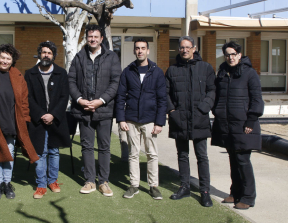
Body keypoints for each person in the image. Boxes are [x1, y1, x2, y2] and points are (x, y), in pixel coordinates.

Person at [0, 44, 39, 200]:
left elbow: (24, 101)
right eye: (2, 57)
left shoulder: (17, 76)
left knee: (9, 153)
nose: (4, 61)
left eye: (8, 58)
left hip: (11, 122)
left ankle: (7, 183)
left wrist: (24, 119)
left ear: (12, 61)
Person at [68, 24, 121, 197]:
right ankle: (90, 180)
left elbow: (115, 82)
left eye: (95, 37)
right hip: (84, 110)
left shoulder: (112, 57)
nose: (92, 39)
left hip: (104, 110)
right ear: (87, 38)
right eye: (90, 36)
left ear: (101, 39)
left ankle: (103, 182)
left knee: (104, 147)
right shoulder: (79, 57)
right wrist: (80, 100)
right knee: (87, 146)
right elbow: (71, 81)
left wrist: (100, 101)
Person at [211, 41, 264, 210]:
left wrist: (251, 120)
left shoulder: (250, 73)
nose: (230, 57)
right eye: (227, 54)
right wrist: (216, 111)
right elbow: (218, 96)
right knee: (233, 160)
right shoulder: (223, 73)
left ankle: (248, 197)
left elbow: (257, 99)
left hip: (243, 125)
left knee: (242, 160)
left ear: (239, 55)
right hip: (226, 124)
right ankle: (235, 193)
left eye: (233, 54)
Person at [165, 36, 215, 207]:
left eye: (188, 47)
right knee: (183, 155)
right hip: (179, 119)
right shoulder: (172, 70)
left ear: (194, 48)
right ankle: (184, 186)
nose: (184, 50)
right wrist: (172, 111)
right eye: (181, 47)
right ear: (178, 49)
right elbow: (165, 93)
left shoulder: (206, 68)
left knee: (202, 156)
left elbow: (212, 91)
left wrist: (204, 108)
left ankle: (205, 191)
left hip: (199, 119)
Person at [115, 38, 167, 199]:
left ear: (148, 51)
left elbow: (162, 99)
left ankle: (153, 186)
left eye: (143, 48)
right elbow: (120, 97)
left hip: (150, 120)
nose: (140, 51)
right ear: (134, 51)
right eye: (137, 48)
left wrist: (159, 122)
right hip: (131, 120)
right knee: (133, 153)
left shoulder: (156, 71)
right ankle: (134, 185)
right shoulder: (128, 71)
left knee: (152, 154)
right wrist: (121, 119)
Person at [25, 41, 72, 199]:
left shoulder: (61, 73)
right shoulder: (30, 73)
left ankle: (53, 181)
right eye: (43, 52)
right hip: (37, 120)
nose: (46, 55)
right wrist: (40, 114)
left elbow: (64, 96)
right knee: (40, 151)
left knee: (53, 151)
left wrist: (53, 114)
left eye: (49, 53)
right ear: (39, 54)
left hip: (56, 119)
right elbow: (28, 98)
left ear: (54, 56)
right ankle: (41, 184)